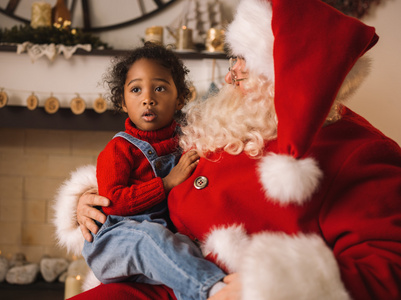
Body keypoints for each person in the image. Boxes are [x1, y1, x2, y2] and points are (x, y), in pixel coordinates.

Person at [53, 0, 401, 299]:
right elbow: (154, 170)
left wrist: (268, 288)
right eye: (234, 58)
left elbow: (387, 268)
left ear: (288, 71)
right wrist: (95, 200)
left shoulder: (360, 152)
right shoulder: (220, 121)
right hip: (158, 277)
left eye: (244, 60)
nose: (230, 74)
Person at [76, 43, 226, 300]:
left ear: (180, 98)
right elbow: (114, 202)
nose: (148, 98)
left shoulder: (187, 141)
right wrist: (166, 183)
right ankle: (214, 290)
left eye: (159, 88)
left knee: (184, 250)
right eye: (136, 89)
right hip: (115, 243)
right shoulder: (119, 149)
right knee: (149, 237)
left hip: (157, 248)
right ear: (122, 102)